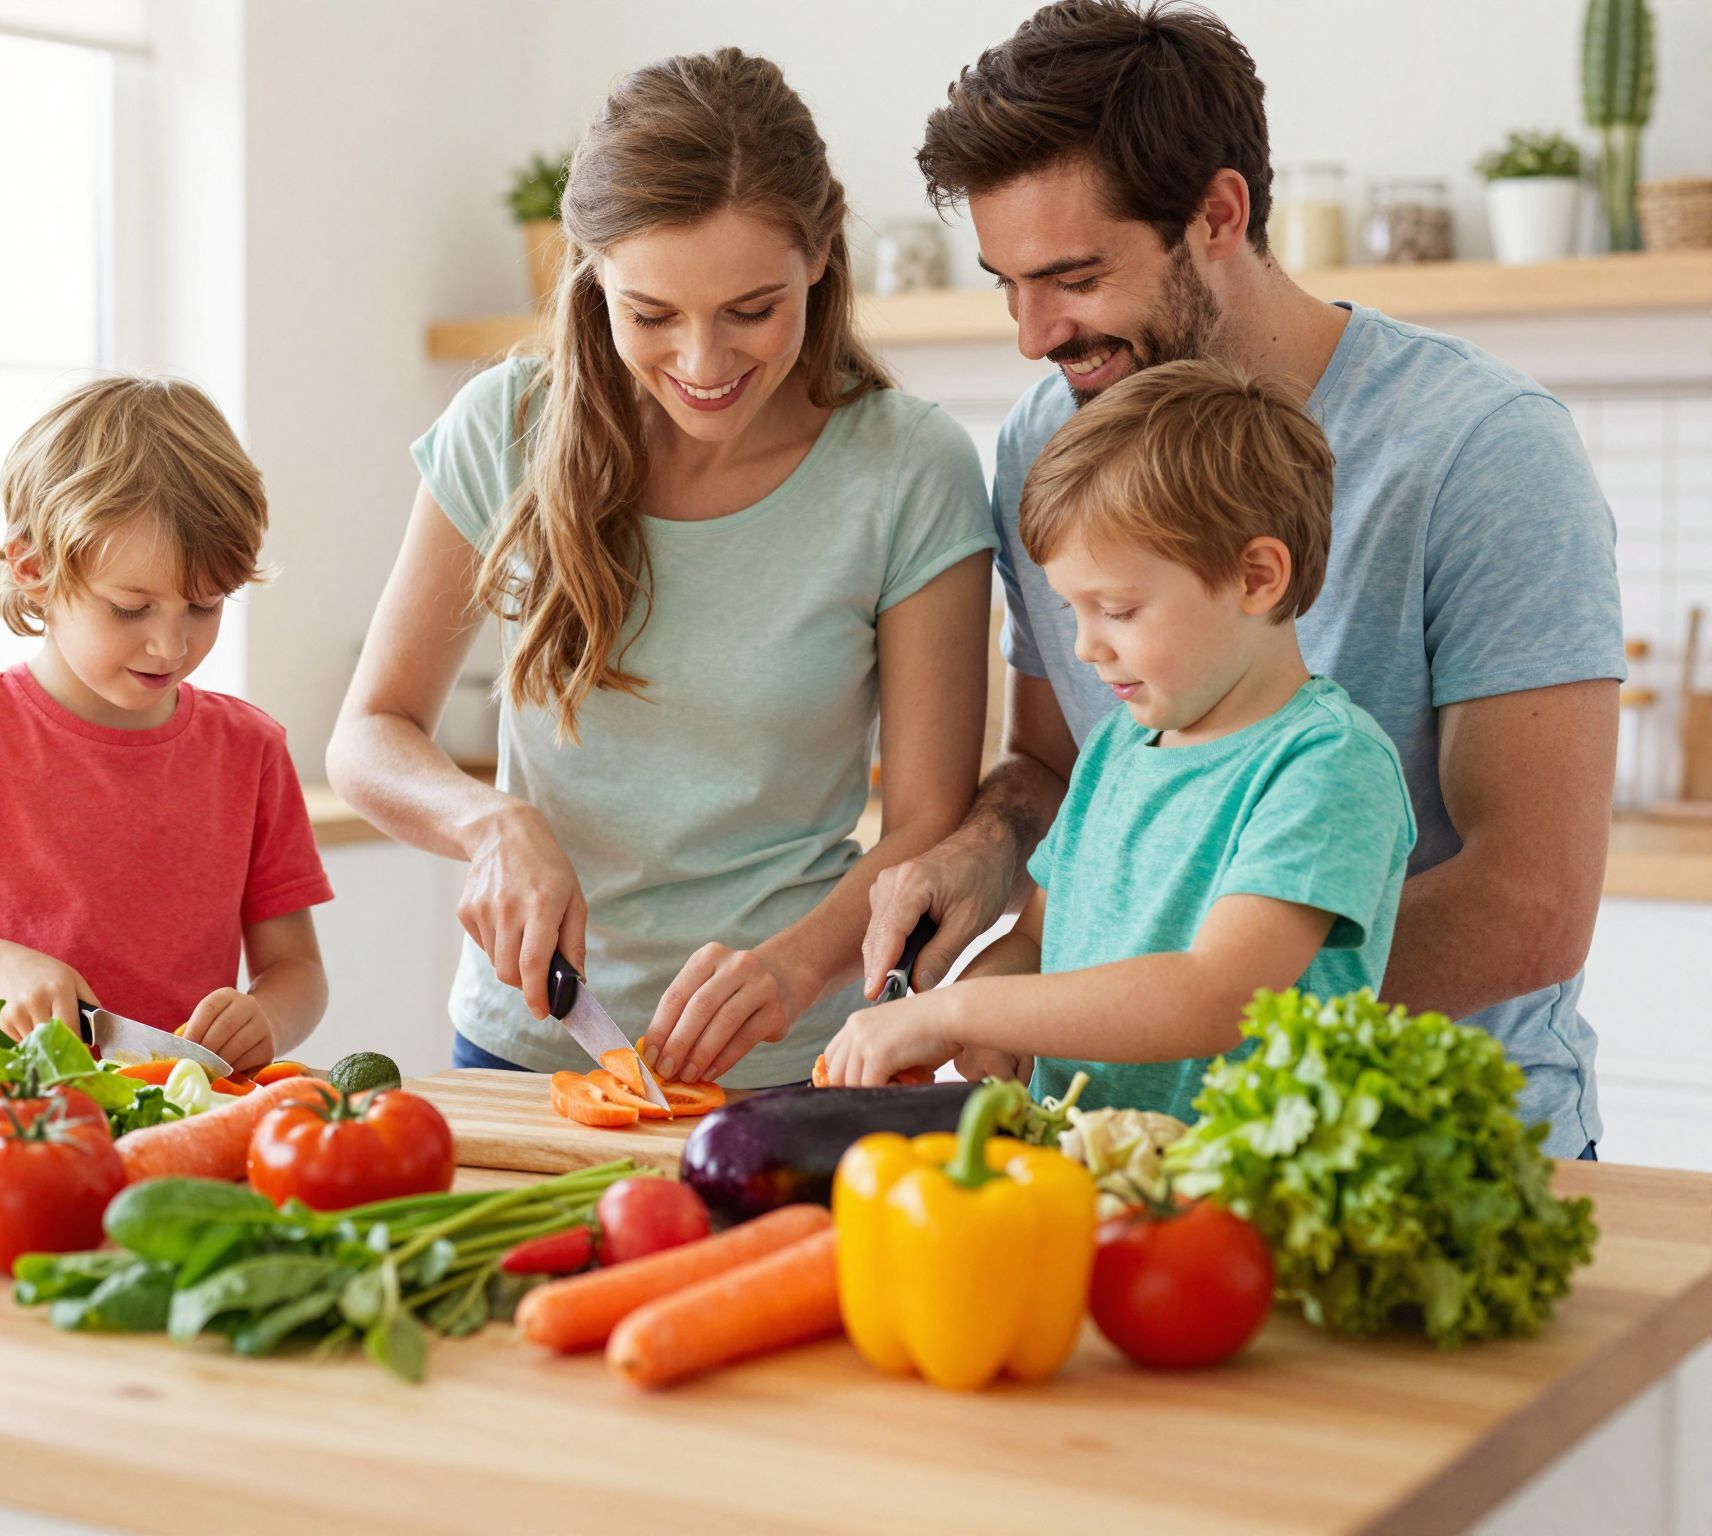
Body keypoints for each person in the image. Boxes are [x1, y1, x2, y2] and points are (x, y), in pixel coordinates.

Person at [860, 0, 1622, 1155]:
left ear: (1218, 214)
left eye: (1071, 277)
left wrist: (1155, 1010)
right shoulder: (1053, 439)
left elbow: (1528, 909)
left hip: (1419, 1149)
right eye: (1006, 284)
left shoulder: (1479, 449)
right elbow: (1060, 764)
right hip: (1140, 1155)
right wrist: (983, 863)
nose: (1031, 335)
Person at [329, 48, 995, 1088]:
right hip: (529, 1047)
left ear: (821, 253)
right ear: (591, 273)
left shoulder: (910, 469)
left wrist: (788, 972)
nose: (702, 362)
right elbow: (369, 734)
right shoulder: (503, 427)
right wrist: (488, 823)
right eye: (650, 315)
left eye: (751, 310)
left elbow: (925, 821)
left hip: (796, 1057)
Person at [825, 360, 1415, 1114]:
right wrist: (974, 1009)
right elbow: (1038, 941)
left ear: (1257, 577)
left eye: (1118, 610)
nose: (1084, 647)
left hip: (1240, 1177)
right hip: (1087, 1164)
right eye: (1071, 610)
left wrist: (956, 1012)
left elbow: (1215, 996)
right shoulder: (1115, 750)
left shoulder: (1327, 766)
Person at [0, 376, 332, 1071]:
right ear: (34, 568)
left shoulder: (250, 750)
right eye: (130, 608)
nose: (170, 646)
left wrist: (265, 1016)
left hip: (183, 1110)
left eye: (204, 606)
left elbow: (297, 969)